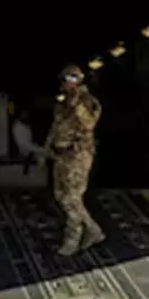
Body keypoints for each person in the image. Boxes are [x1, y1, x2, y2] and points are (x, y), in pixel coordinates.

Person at [44, 64, 105, 255]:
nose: (68, 84)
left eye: (72, 80)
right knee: (61, 195)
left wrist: (77, 104)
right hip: (61, 154)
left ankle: (72, 238)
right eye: (66, 79)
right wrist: (47, 149)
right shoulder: (61, 102)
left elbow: (89, 123)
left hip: (78, 155)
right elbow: (55, 128)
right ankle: (94, 230)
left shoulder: (87, 101)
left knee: (72, 197)